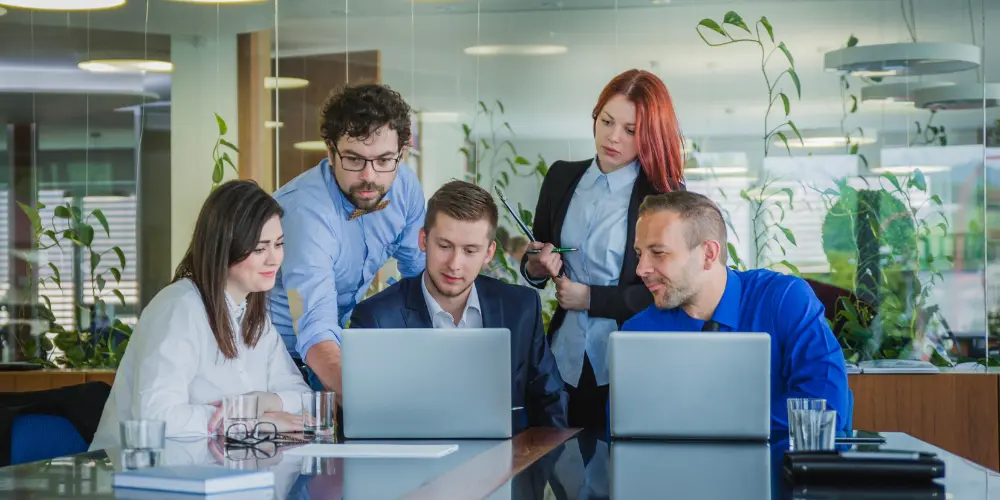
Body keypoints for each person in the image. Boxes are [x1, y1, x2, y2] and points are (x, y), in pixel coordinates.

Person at [520, 69, 686, 430]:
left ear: (650, 136)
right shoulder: (562, 177)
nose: (613, 138)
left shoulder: (663, 197)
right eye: (607, 121)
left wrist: (590, 298)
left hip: (629, 362)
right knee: (561, 474)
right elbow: (539, 254)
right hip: (562, 358)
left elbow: (671, 294)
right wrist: (535, 267)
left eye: (631, 131)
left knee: (622, 478)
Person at [90, 180, 311, 451]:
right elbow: (155, 418)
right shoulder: (179, 308)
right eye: (259, 248)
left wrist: (261, 402)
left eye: (279, 244)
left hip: (216, 472)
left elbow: (304, 400)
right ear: (225, 247)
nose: (274, 259)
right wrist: (249, 421)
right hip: (140, 474)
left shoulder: (254, 317)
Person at [623, 191, 852, 432]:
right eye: (639, 254)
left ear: (708, 254)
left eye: (658, 253)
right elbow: (625, 431)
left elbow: (826, 408)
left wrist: (706, 423)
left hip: (779, 469)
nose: (641, 269)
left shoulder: (784, 300)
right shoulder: (638, 334)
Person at [350, 181, 567, 430]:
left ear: (489, 253)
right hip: (414, 465)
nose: (455, 264)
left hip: (508, 462)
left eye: (470, 250)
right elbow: (365, 421)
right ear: (423, 240)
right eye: (444, 246)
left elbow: (550, 401)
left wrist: (541, 467)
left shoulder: (520, 308)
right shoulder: (375, 319)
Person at [269, 83, 426, 393]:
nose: (369, 176)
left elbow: (419, 277)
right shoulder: (308, 213)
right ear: (330, 151)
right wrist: (367, 402)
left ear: (402, 153)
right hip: (279, 358)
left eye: (384, 160)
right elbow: (313, 325)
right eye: (354, 160)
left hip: (339, 346)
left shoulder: (404, 187)